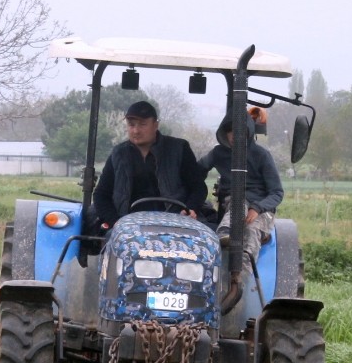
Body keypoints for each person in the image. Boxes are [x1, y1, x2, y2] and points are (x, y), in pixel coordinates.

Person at [92, 101, 206, 229]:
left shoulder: (179, 149)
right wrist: (116, 221)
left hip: (173, 222)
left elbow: (198, 188)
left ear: (155, 125)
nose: (136, 130)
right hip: (128, 224)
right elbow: (101, 194)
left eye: (142, 124)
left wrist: (189, 209)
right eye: (131, 125)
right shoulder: (118, 154)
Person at [198, 110, 284, 270]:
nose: (234, 135)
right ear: (225, 133)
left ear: (248, 132)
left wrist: (257, 208)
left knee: (251, 229)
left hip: (260, 210)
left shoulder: (261, 155)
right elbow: (196, 171)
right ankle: (221, 241)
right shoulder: (218, 153)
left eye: (239, 131)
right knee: (238, 201)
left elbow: (277, 192)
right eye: (230, 131)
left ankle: (240, 277)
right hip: (232, 204)